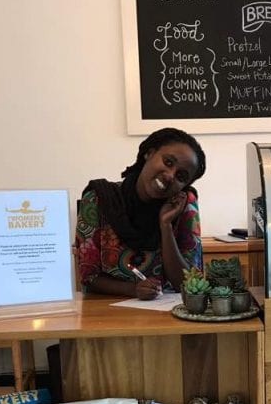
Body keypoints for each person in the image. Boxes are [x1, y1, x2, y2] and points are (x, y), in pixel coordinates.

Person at [75, 128, 206, 300]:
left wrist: (165, 226)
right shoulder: (99, 199)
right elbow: (88, 277)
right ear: (149, 153)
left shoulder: (184, 206)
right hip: (107, 313)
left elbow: (188, 284)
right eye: (168, 162)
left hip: (168, 313)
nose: (170, 176)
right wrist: (133, 289)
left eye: (181, 176)